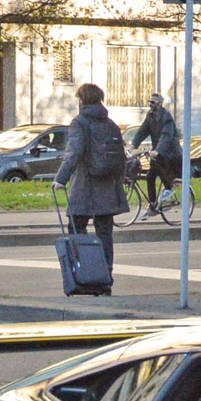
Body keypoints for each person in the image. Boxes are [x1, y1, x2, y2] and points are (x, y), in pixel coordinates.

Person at [55, 83, 127, 287]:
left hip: (84, 187)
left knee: (76, 229)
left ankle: (84, 274)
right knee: (105, 232)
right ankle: (105, 277)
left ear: (82, 100)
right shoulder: (111, 124)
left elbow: (74, 153)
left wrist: (61, 179)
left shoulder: (80, 122)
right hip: (107, 188)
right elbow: (120, 158)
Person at [131, 93, 180, 212]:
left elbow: (166, 136)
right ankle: (153, 204)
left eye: (152, 102)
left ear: (159, 103)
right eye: (149, 102)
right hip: (157, 150)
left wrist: (157, 151)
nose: (150, 105)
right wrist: (133, 145)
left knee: (158, 166)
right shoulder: (150, 116)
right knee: (150, 176)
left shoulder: (166, 117)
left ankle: (169, 188)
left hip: (169, 151)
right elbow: (143, 131)